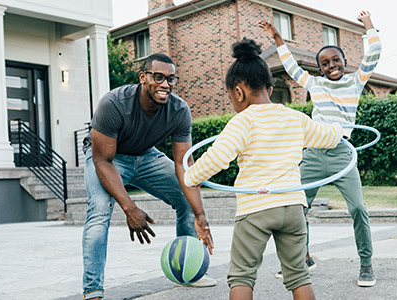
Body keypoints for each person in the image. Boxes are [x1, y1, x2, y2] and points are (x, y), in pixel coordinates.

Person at [183, 38, 343, 300]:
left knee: (242, 276)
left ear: (238, 92)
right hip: (292, 207)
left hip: (256, 208)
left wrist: (190, 176)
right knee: (298, 275)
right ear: (269, 87)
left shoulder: (241, 122)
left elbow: (216, 159)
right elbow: (329, 137)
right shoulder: (295, 118)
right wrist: (341, 128)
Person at [258, 10, 381, 287]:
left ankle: (366, 264)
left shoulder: (355, 82)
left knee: (359, 208)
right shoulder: (316, 84)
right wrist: (278, 38)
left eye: (336, 60)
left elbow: (374, 53)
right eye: (325, 63)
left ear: (344, 62)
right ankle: (304, 257)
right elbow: (291, 68)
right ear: (321, 69)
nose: (331, 65)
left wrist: (368, 25)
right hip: (313, 153)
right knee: (298, 209)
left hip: (342, 155)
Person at [81, 53, 215, 300]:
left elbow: (184, 165)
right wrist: (130, 208)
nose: (166, 84)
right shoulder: (114, 103)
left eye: (171, 79)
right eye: (158, 77)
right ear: (143, 77)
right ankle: (93, 291)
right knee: (99, 209)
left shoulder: (179, 110)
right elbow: (102, 160)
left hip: (146, 156)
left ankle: (186, 270)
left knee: (185, 197)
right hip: (108, 158)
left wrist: (200, 215)